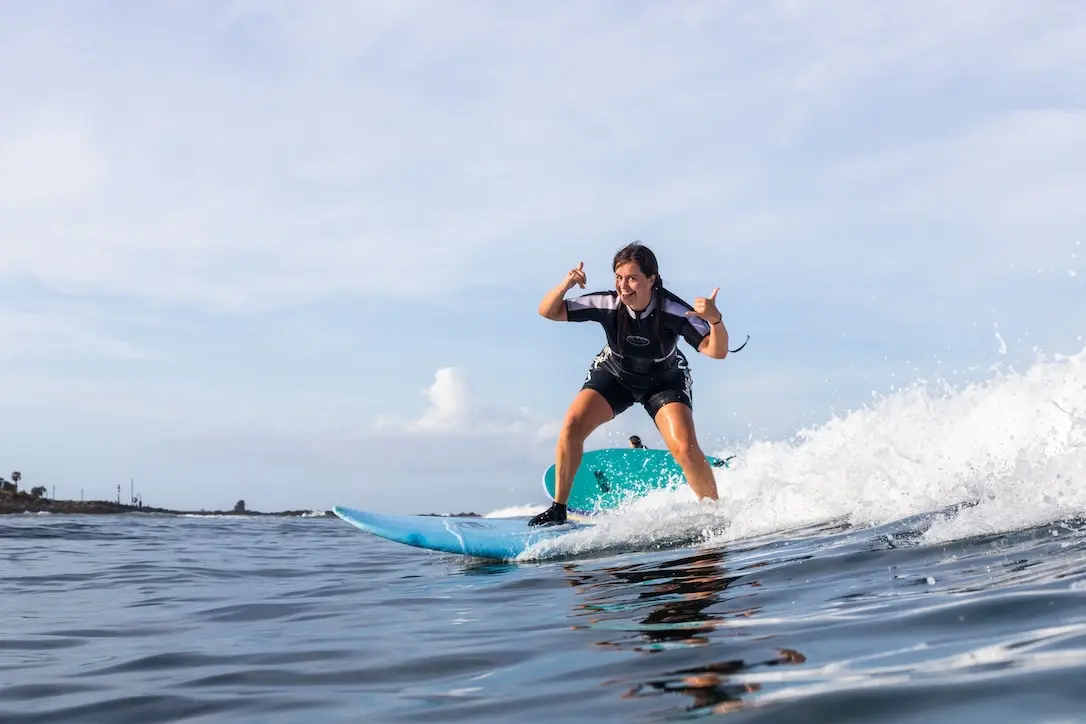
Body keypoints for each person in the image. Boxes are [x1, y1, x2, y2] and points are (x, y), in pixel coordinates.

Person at [529, 242, 743, 527]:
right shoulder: (608, 303)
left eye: (632, 278)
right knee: (571, 425)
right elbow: (549, 311)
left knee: (684, 448)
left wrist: (715, 320)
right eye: (619, 278)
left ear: (651, 279)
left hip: (664, 380)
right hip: (615, 374)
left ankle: (716, 515)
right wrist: (566, 284)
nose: (623, 286)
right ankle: (558, 509)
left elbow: (717, 351)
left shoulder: (674, 310)